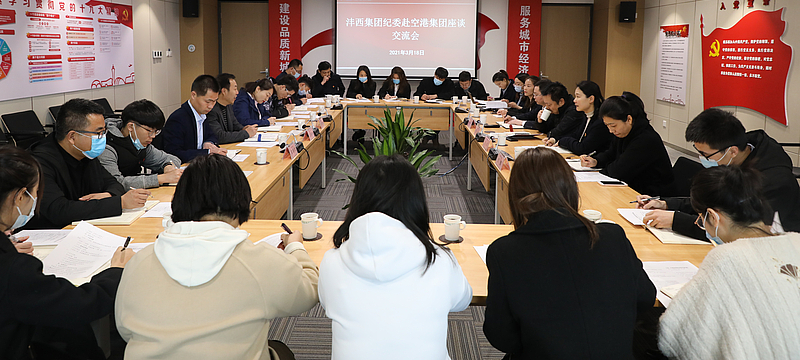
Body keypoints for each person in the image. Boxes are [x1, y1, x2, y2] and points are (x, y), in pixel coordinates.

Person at [115, 154, 319, 359]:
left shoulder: (138, 263)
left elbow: (125, 330)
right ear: (242, 200)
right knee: (280, 350)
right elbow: (310, 291)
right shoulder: (258, 260)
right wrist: (295, 246)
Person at [483, 147, 655, 359]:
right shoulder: (612, 236)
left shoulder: (504, 252)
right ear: (570, 188)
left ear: (516, 195)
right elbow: (645, 298)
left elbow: (501, 337)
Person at [319, 155, 472, 359]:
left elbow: (326, 302)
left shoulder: (331, 262)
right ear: (415, 202)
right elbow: (463, 300)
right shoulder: (440, 261)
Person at [0, 146, 134, 360]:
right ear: (19, 197)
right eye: (36, 193)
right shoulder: (14, 269)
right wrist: (116, 271)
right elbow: (79, 305)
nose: (37, 200)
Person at [658, 166, 800, 360]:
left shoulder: (726, 257)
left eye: (701, 219)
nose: (702, 225)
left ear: (713, 217)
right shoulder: (796, 240)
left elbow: (677, 330)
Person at [639, 107, 800, 237]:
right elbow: (713, 201)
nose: (702, 159)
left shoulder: (774, 183)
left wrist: (676, 220)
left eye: (706, 155)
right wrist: (667, 204)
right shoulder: (735, 158)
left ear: (732, 151)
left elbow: (736, 231)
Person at [27, 99, 149, 229]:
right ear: (72, 137)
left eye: (104, 132)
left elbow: (114, 184)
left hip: (84, 226)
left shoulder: (85, 153)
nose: (103, 138)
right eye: (98, 133)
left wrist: (109, 195)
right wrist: (120, 203)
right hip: (50, 232)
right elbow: (58, 210)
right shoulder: (39, 162)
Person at [580, 92, 673, 195]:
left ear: (629, 119)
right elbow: (610, 154)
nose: (611, 130)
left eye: (613, 126)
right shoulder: (624, 132)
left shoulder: (645, 139)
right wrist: (596, 161)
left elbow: (618, 171)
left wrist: (599, 172)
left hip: (652, 195)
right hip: (633, 188)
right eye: (607, 126)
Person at [99, 100, 182, 190]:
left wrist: (168, 166)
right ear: (131, 127)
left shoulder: (140, 144)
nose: (153, 136)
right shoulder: (106, 147)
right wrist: (160, 179)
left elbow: (172, 159)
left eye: (156, 131)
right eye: (149, 131)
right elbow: (116, 183)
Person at [162, 74, 227, 163]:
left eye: (214, 101)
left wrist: (209, 142)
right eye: (208, 101)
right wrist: (207, 152)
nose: (211, 106)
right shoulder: (178, 119)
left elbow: (212, 135)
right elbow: (174, 153)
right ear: (193, 95)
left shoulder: (203, 113)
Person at [551, 80, 612, 156]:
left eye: (578, 97)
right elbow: (576, 135)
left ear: (591, 99)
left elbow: (582, 148)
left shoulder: (600, 121)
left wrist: (562, 141)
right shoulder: (585, 116)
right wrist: (555, 139)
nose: (574, 100)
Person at [509, 81, 581, 140]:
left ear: (561, 102)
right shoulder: (555, 108)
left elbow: (555, 133)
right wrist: (540, 121)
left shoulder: (573, 111)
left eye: (549, 104)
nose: (547, 107)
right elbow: (546, 128)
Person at [207, 73, 258, 143]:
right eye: (235, 89)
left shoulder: (228, 106)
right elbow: (219, 136)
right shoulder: (211, 109)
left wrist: (244, 128)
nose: (237, 93)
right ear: (224, 91)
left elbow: (235, 125)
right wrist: (246, 133)